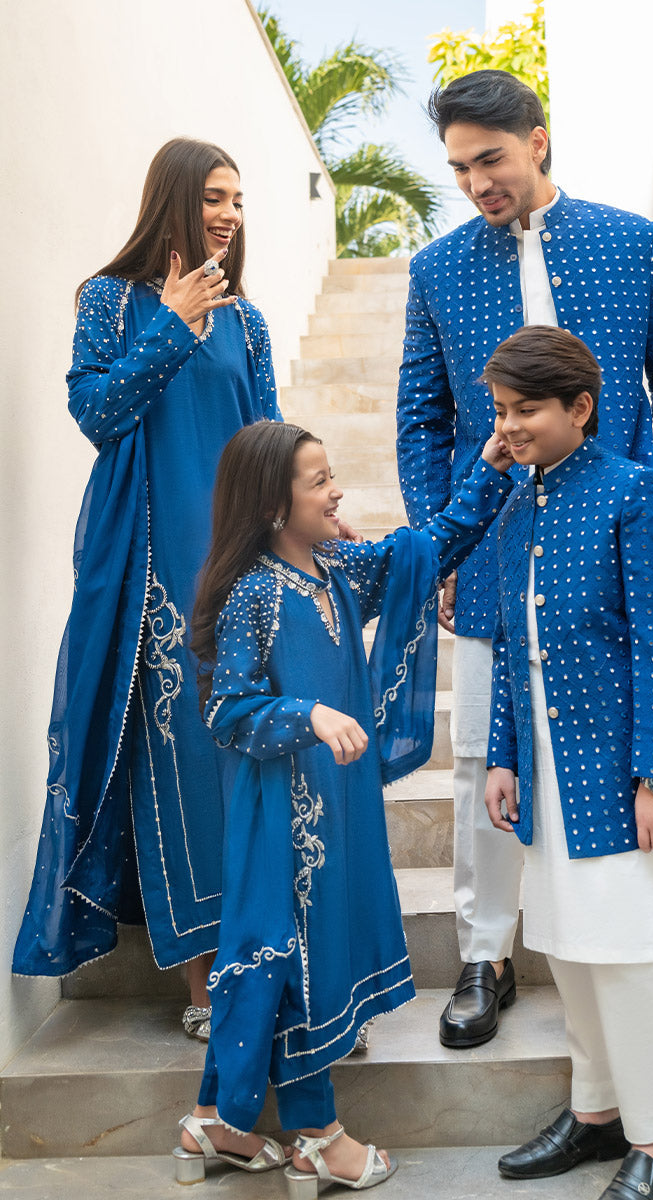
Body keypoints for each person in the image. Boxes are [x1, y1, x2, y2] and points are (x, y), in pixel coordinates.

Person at [396, 68, 653, 1048]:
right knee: (482, 757)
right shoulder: (436, 270)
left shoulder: (627, 240)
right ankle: (484, 951)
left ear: (536, 139)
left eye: (488, 159)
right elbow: (421, 418)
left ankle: (624, 944)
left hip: (619, 540)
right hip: (493, 546)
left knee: (618, 735)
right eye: (458, 168)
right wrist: (443, 544)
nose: (475, 183)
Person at [172, 419, 514, 1192]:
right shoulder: (255, 593)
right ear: (273, 504)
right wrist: (309, 715)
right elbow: (227, 711)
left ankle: (213, 1122)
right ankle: (318, 1135)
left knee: (300, 952)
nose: (337, 492)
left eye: (332, 476)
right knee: (289, 957)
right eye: (319, 481)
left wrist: (489, 470)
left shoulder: (335, 572)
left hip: (336, 806)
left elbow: (423, 553)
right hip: (283, 814)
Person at [12, 138, 280, 1041]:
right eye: (213, 197)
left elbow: (267, 440)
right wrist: (170, 324)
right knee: (186, 764)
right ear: (173, 199)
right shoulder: (110, 301)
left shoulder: (247, 322)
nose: (229, 214)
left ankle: (271, 964)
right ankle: (205, 984)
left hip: (240, 567)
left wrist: (305, 522)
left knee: (253, 763)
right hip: (153, 572)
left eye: (237, 199)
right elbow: (98, 414)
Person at [483, 325, 653, 1200]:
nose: (510, 426)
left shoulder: (639, 494)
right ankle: (598, 1112)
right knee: (570, 953)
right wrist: (502, 757)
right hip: (545, 777)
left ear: (581, 407)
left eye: (526, 409)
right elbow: (511, 645)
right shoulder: (518, 504)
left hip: (620, 778)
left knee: (624, 957)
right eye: (501, 410)